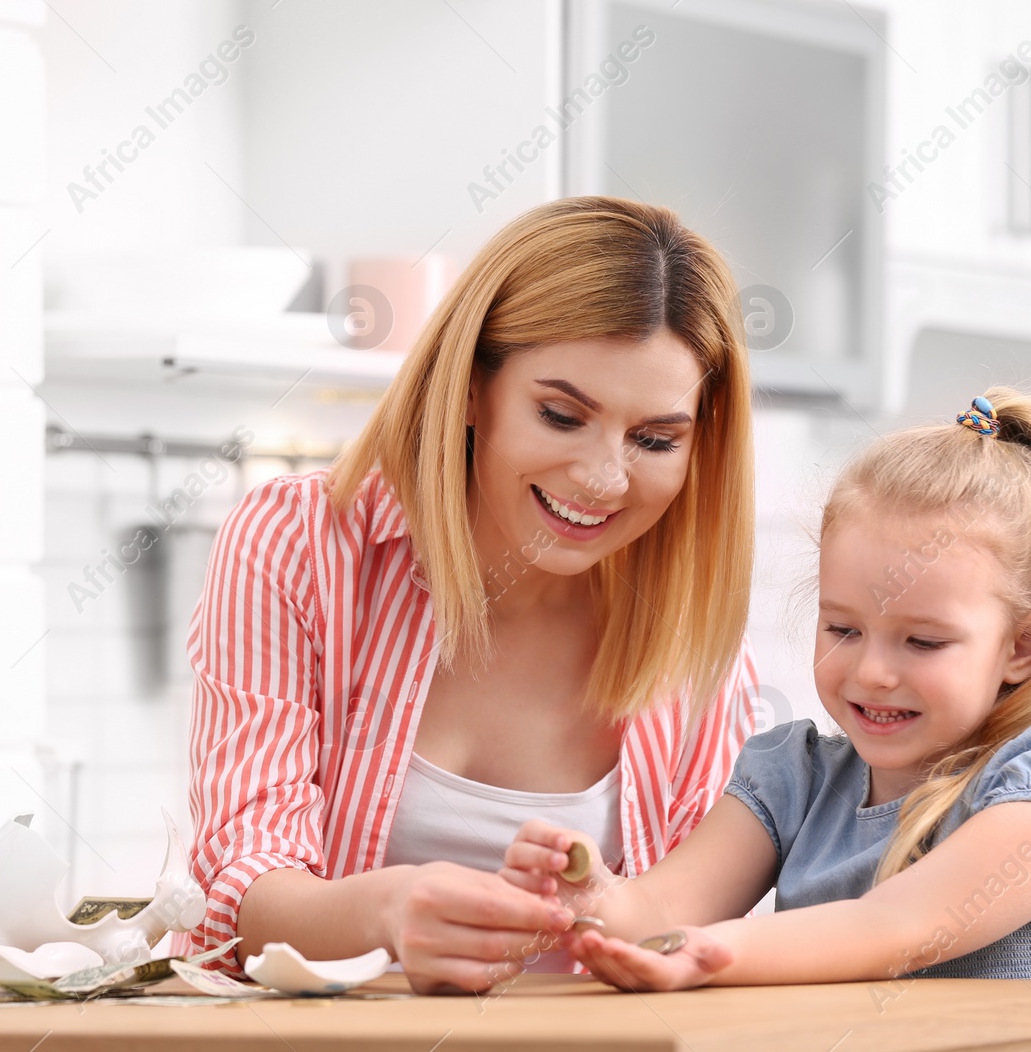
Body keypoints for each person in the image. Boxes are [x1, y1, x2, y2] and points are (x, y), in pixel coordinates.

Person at [185, 196, 760, 994]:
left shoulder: (693, 632)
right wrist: (385, 909)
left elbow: (686, 931)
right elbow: (239, 883)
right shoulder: (300, 543)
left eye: (655, 439)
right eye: (561, 415)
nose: (603, 477)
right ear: (468, 388)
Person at [501, 389, 1031, 989]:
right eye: (844, 628)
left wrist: (707, 953)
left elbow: (897, 926)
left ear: (1024, 645)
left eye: (923, 641)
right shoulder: (793, 778)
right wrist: (593, 893)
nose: (872, 671)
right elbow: (660, 913)